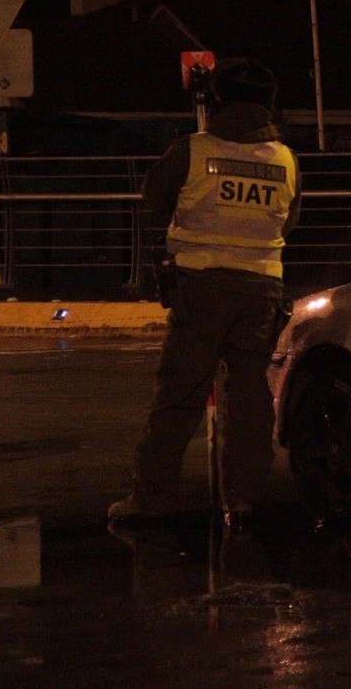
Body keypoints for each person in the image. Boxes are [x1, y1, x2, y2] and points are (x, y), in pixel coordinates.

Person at [109, 58, 301, 533]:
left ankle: (153, 498)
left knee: (180, 395)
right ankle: (245, 501)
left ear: (217, 99)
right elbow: (289, 221)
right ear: (268, 107)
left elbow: (153, 200)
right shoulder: (285, 159)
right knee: (252, 399)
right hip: (262, 292)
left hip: (201, 290)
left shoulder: (192, 150)